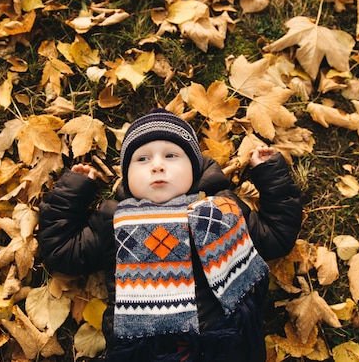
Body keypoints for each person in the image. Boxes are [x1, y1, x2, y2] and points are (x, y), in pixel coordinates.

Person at [38, 108, 302, 361]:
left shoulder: (222, 211)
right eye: (142, 159)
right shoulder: (115, 221)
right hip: (144, 351)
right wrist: (74, 190)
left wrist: (270, 175)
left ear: (195, 169)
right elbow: (62, 252)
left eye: (172, 156)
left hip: (224, 345)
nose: (157, 166)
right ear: (127, 177)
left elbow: (277, 235)